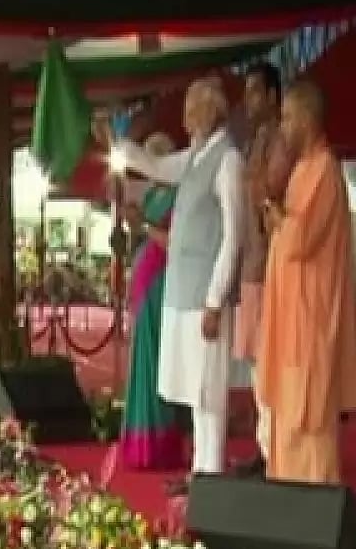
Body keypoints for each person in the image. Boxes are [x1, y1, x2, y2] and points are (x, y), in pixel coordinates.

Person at [96, 76, 243, 493]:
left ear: (210, 112)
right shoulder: (197, 155)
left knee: (209, 393)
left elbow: (233, 234)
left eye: (191, 109)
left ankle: (211, 479)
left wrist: (216, 299)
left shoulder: (228, 160)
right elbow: (157, 166)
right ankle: (201, 474)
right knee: (195, 391)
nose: (185, 117)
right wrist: (117, 146)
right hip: (183, 291)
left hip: (205, 297)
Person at [257, 80, 356, 484]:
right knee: (287, 413)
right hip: (291, 316)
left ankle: (313, 505)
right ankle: (286, 494)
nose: (282, 128)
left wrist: (278, 216)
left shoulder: (325, 170)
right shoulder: (303, 169)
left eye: (287, 119)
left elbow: (299, 238)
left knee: (309, 416)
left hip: (311, 320)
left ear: (305, 120)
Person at [119, 132, 185, 470]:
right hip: (145, 280)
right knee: (142, 361)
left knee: (155, 361)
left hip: (159, 282)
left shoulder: (176, 196)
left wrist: (143, 224)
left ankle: (157, 443)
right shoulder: (155, 194)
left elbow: (171, 242)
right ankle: (141, 441)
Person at [230, 62, 283, 478]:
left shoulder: (277, 143)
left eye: (254, 93)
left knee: (266, 366)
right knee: (255, 367)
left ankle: (272, 454)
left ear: (272, 97)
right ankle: (265, 449)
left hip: (267, 270)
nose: (247, 101)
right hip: (251, 269)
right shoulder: (254, 143)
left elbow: (274, 200)